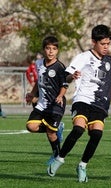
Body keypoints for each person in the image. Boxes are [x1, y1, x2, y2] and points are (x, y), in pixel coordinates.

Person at [47, 24, 111, 183]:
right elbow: (66, 76)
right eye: (102, 44)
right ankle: (60, 158)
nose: (106, 47)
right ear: (93, 42)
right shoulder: (83, 57)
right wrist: (73, 76)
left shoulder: (110, 61)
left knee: (96, 134)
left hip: (100, 105)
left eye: (108, 44)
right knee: (78, 129)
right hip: (82, 99)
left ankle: (82, 165)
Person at [25, 36, 68, 166]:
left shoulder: (60, 67)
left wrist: (60, 95)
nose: (51, 51)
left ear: (57, 51)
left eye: (54, 49)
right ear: (44, 49)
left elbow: (64, 85)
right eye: (48, 48)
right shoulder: (38, 63)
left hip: (56, 104)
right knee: (31, 126)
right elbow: (39, 81)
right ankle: (57, 128)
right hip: (43, 104)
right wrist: (32, 94)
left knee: (50, 133)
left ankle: (57, 157)